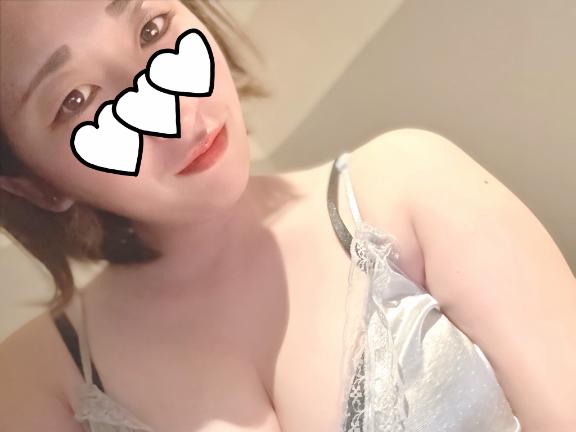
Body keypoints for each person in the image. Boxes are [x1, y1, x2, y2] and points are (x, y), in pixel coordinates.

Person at [1, 1, 575, 431]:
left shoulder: (409, 185)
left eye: (152, 29)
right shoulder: (35, 382)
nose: (172, 111)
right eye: (77, 99)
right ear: (33, 184)